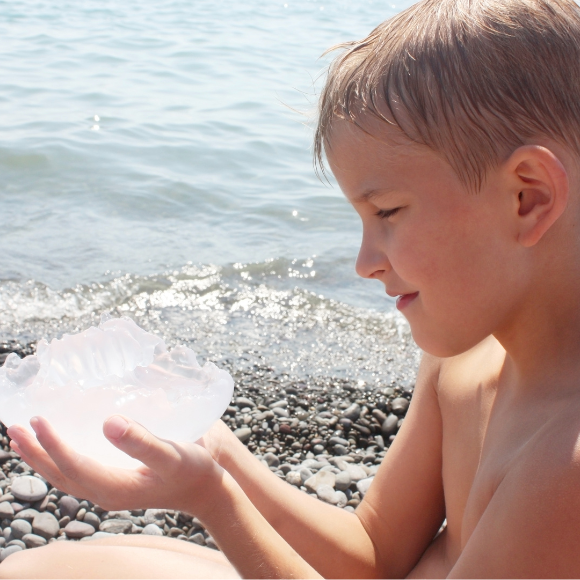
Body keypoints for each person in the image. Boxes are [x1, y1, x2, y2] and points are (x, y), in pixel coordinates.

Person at [4, 0, 580, 576]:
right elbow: (375, 553)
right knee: (64, 560)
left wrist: (212, 499)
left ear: (527, 198)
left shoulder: (565, 465)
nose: (364, 263)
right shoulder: (467, 357)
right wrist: (212, 447)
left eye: (387, 211)